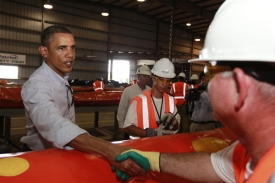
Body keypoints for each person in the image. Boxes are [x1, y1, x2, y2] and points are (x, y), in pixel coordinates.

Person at [114, 0, 275, 182]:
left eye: (209, 73)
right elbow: (214, 166)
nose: (206, 83)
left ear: (239, 87)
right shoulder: (249, 151)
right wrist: (152, 160)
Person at [20, 25, 145, 180]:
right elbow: (55, 126)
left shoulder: (60, 78)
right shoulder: (37, 85)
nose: (70, 55)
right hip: (39, 157)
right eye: (62, 48)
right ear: (44, 51)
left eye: (72, 48)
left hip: (61, 152)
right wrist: (109, 149)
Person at [123, 58, 180, 138]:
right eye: (161, 79)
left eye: (168, 81)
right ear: (153, 78)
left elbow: (176, 128)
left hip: (164, 147)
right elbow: (127, 127)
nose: (164, 84)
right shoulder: (139, 101)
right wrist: (151, 133)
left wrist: (174, 122)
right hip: (143, 148)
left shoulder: (171, 101)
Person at [117, 65, 151, 139]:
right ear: (138, 77)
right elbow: (122, 108)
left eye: (148, 77)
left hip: (146, 127)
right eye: (144, 76)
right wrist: (121, 125)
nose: (146, 78)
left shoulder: (150, 91)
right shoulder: (128, 91)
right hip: (130, 127)